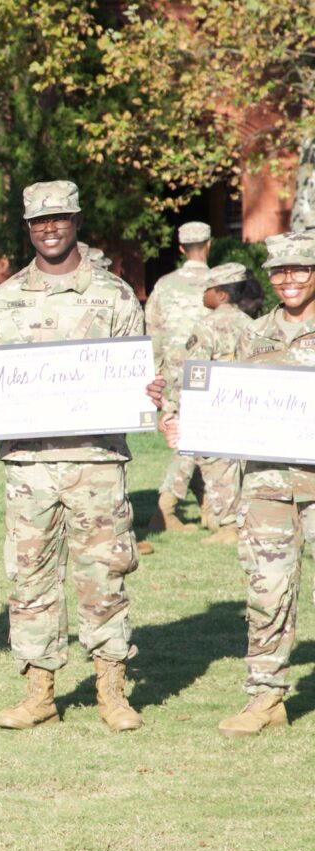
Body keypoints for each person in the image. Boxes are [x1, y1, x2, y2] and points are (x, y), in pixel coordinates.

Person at [0, 181, 159, 732]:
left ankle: (111, 691)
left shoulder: (115, 296)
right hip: (28, 468)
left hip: (96, 462)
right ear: (28, 227)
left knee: (104, 575)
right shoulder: (4, 300)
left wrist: (149, 390)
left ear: (77, 221)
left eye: (59, 218)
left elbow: (138, 375)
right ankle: (39, 693)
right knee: (29, 579)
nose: (50, 228)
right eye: (39, 221)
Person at [163, 233, 315, 736]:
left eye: (300, 269)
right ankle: (265, 698)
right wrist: (181, 416)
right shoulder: (255, 334)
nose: (289, 280)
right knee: (266, 592)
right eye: (279, 271)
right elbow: (220, 397)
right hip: (268, 486)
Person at [175, 263, 254, 546]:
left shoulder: (207, 325)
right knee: (240, 465)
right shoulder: (250, 323)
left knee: (217, 465)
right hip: (245, 404)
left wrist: (182, 406)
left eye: (207, 289)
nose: (202, 294)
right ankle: (239, 520)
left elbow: (195, 369)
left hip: (214, 406)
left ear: (221, 294)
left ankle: (229, 525)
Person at [145, 222, 213, 532]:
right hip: (210, 372)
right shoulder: (219, 283)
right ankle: (166, 507)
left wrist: (156, 375)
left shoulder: (164, 285)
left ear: (182, 248)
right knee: (192, 440)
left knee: (196, 438)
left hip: (174, 374)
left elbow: (153, 334)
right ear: (209, 244)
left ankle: (209, 507)